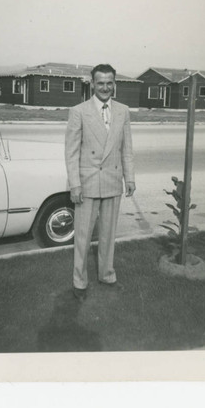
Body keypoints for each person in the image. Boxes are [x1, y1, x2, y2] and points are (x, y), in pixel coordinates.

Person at [65, 64, 136, 301]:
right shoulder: (79, 111)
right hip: (87, 182)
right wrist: (75, 184)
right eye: (100, 82)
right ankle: (79, 281)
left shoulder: (123, 111)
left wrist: (130, 178)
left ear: (114, 84)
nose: (105, 87)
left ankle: (107, 275)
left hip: (113, 180)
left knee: (108, 234)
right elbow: (72, 152)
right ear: (92, 84)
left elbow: (127, 149)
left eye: (109, 83)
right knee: (83, 236)